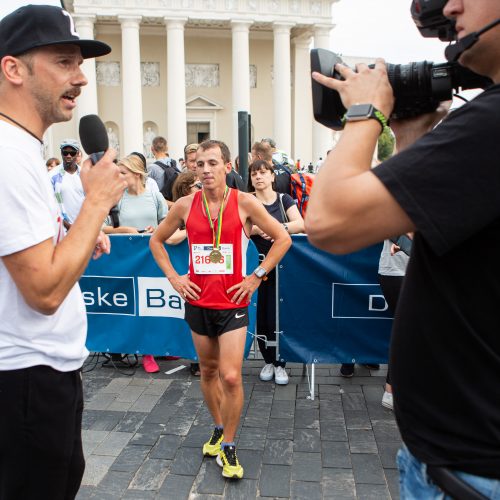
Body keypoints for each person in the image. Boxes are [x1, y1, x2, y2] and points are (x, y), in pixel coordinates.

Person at [306, 0, 500, 497]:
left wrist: (365, 111)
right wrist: (413, 138)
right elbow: (428, 230)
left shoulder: (491, 124)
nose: (451, 6)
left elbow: (327, 221)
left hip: (471, 468)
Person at [0, 5, 125, 499]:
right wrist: (96, 202)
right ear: (13, 68)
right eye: (64, 62)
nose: (80, 79)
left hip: (38, 372)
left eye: (80, 64)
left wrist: (75, 231)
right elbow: (44, 291)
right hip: (27, 377)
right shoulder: (8, 155)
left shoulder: (21, 147)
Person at [150, 140, 291, 479]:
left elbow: (282, 239)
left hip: (233, 303)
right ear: (194, 168)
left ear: (228, 167)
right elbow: (156, 240)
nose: (206, 169)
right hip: (198, 301)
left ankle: (229, 445)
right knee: (209, 372)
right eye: (200, 164)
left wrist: (256, 276)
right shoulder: (185, 205)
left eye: (213, 163)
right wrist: (174, 277)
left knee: (230, 375)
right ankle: (217, 426)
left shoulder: (244, 203)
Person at [249, 160, 304, 385]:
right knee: (262, 314)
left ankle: (281, 363)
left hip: (283, 267)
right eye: (254, 174)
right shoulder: (247, 201)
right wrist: (259, 229)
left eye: (263, 173)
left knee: (280, 314)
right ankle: (268, 360)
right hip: (257, 266)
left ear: (272, 176)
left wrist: (278, 229)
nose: (258, 177)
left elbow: (300, 224)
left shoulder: (284, 199)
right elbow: (239, 226)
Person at [50, 139, 85, 230]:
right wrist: (67, 225)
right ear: (61, 153)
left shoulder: (85, 174)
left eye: (72, 152)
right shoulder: (52, 175)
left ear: (77, 154)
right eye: (65, 152)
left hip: (83, 228)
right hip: (61, 229)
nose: (69, 156)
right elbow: (49, 206)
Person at [148, 135, 179, 204]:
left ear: (152, 148)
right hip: (176, 201)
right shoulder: (175, 163)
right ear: (166, 148)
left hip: (161, 203)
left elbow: (148, 190)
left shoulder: (152, 167)